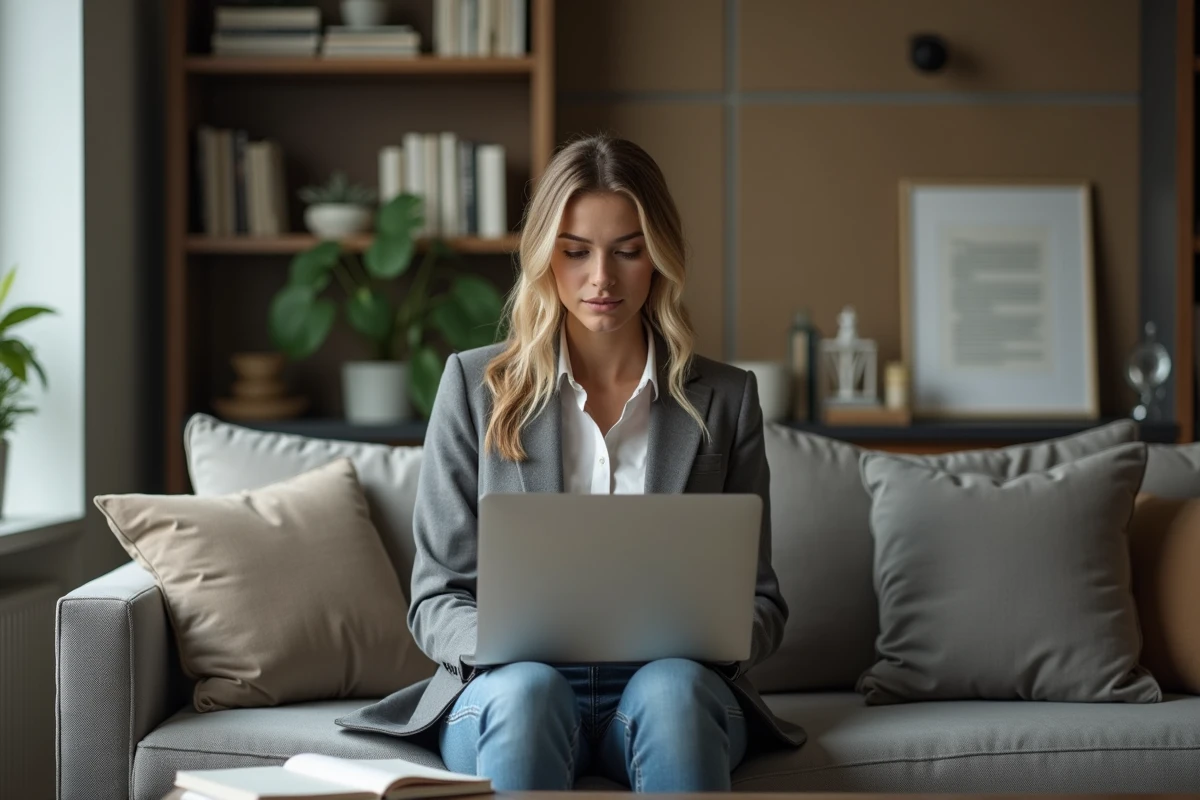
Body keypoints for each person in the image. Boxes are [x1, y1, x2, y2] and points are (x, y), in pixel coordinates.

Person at [335, 134, 805, 791]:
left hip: (665, 687)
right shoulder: (473, 387)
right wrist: (496, 646)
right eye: (575, 252)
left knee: (672, 694)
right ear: (542, 256)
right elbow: (436, 594)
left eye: (628, 252)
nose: (601, 280)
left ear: (660, 257)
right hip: (512, 687)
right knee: (529, 694)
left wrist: (718, 635)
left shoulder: (726, 399)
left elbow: (761, 601)